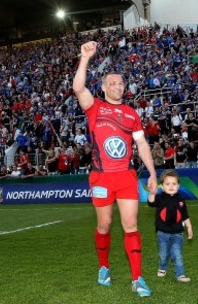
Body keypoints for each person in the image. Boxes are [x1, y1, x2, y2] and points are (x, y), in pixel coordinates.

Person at [73, 40, 157, 298]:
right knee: (104, 226)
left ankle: (137, 278)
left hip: (126, 176)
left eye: (121, 83)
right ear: (104, 86)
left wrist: (152, 173)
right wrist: (85, 58)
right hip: (100, 178)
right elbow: (78, 88)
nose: (118, 87)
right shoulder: (95, 107)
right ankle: (104, 267)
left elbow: (142, 144)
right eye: (113, 83)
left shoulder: (132, 113)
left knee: (130, 225)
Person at [147, 170, 193, 283]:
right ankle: (162, 267)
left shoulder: (181, 200)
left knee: (177, 254)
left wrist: (189, 227)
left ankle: (180, 275)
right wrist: (152, 193)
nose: (171, 186)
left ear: (178, 186)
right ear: (162, 186)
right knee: (163, 254)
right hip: (162, 233)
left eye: (174, 184)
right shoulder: (160, 197)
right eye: (168, 184)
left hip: (177, 233)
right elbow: (151, 202)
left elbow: (185, 216)